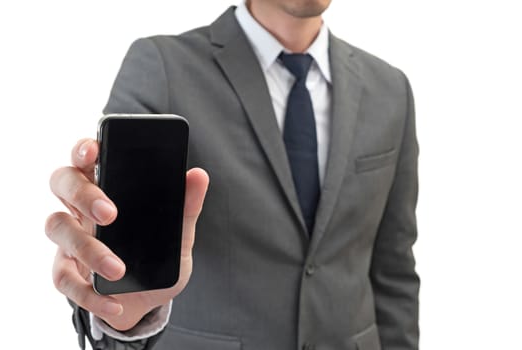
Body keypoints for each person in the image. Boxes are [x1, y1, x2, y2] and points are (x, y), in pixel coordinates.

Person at [46, 0, 420, 349]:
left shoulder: (390, 88)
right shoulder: (163, 68)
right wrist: (120, 314)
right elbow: (117, 254)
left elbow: (394, 270)